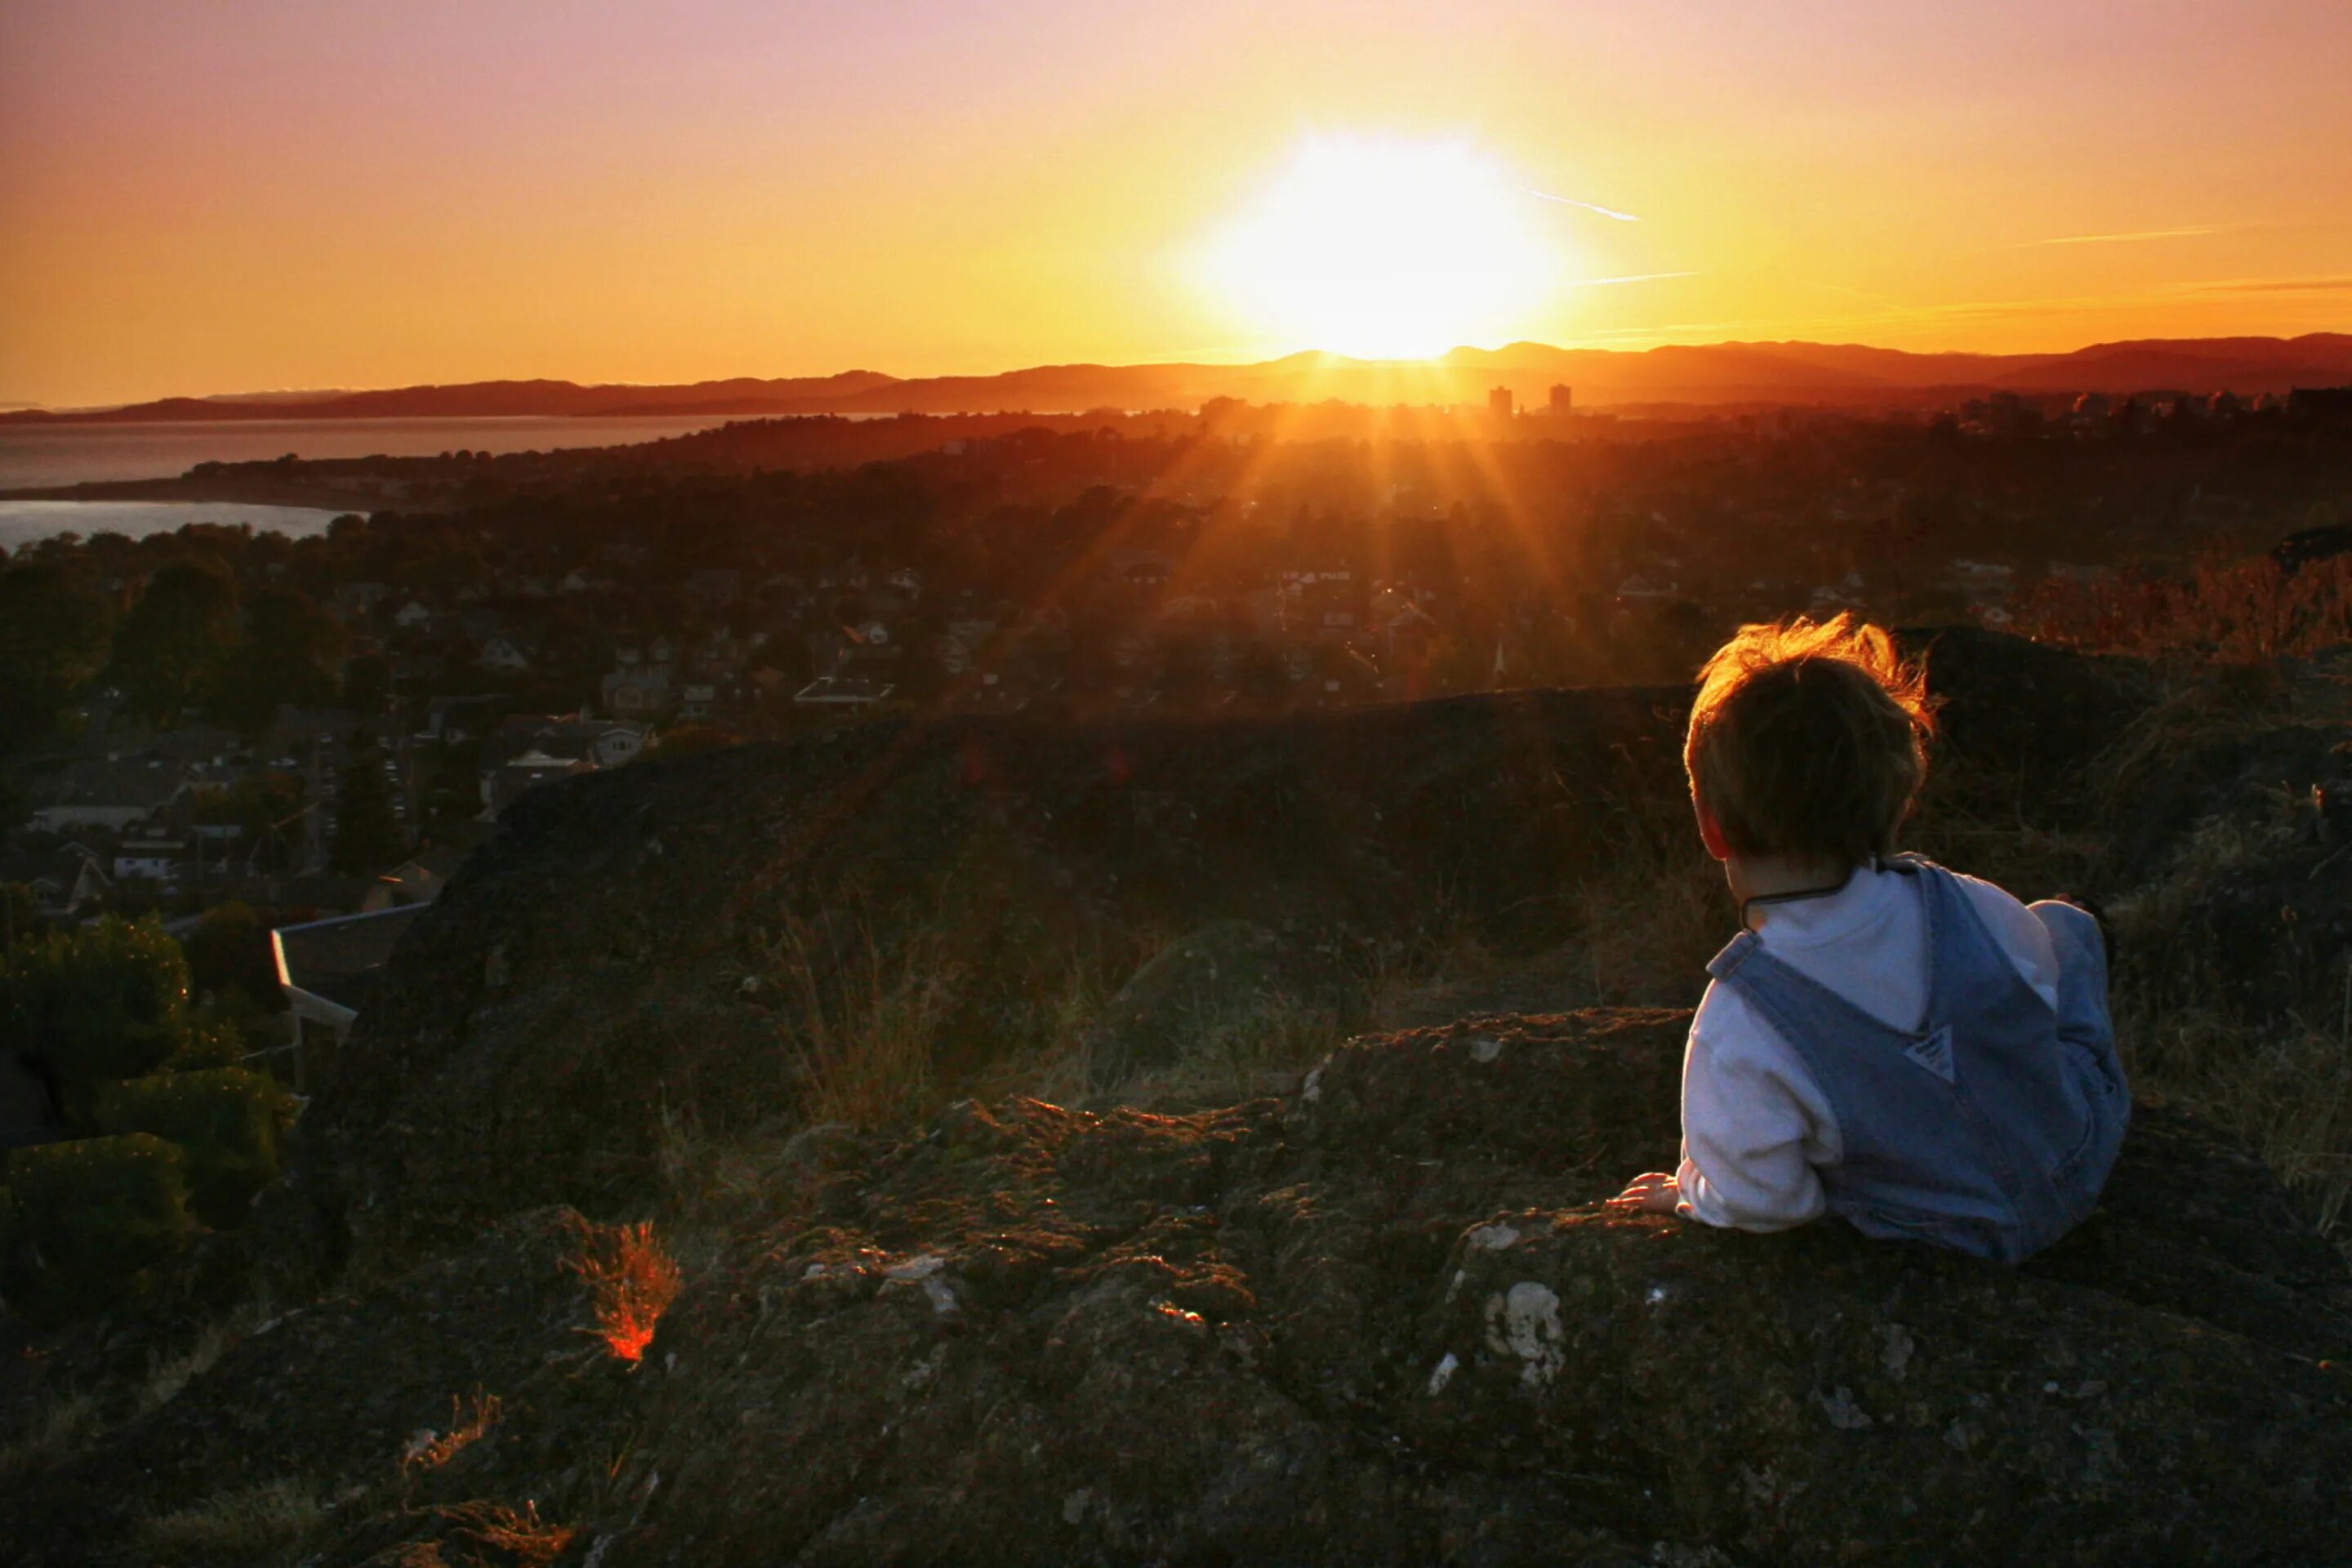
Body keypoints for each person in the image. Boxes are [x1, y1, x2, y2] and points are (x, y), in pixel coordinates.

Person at [1606, 615, 2127, 1263]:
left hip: (1938, 1237)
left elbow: (1765, 1203)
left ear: (1713, 830)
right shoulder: (1970, 902)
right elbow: (2035, 1008)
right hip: (2079, 1160)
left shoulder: (1740, 1023)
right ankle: (2084, 920)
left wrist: (1692, 1192)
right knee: (2062, 925)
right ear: (1896, 799)